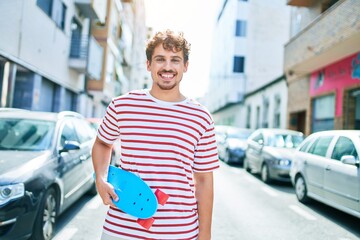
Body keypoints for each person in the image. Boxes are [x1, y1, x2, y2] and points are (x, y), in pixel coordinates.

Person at [92, 29, 220, 240]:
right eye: (160, 59)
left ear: (185, 66)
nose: (167, 67)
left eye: (175, 60)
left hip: (180, 232)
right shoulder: (122, 105)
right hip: (121, 230)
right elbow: (102, 144)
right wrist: (100, 177)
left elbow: (204, 180)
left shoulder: (201, 117)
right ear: (148, 64)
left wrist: (205, 234)